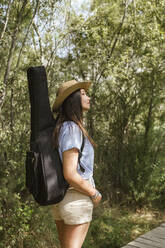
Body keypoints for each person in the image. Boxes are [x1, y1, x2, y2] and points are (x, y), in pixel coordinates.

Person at [51, 80, 102, 248]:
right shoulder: (72, 128)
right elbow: (70, 173)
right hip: (76, 198)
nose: (88, 97)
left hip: (62, 197)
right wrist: (93, 193)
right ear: (72, 100)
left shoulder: (62, 127)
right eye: (82, 94)